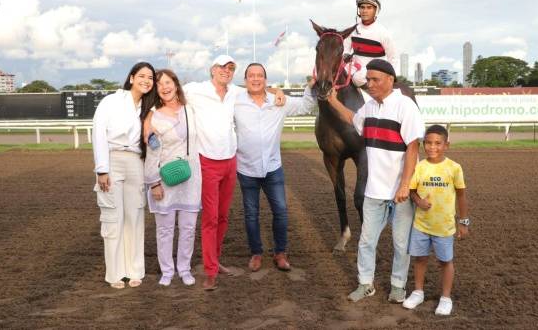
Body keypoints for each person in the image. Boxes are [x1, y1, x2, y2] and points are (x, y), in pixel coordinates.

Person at [182, 55, 285, 291]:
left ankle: (215, 262)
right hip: (207, 161)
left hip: (230, 162)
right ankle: (210, 271)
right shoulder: (196, 90)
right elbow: (169, 93)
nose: (226, 71)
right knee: (210, 219)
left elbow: (256, 85)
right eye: (222, 67)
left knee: (223, 217)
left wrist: (277, 89)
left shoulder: (234, 93)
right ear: (212, 69)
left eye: (230, 68)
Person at [326, 59, 424, 303]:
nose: (369, 84)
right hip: (374, 189)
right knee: (367, 241)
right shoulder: (369, 108)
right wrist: (332, 101)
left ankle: (398, 286)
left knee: (400, 243)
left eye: (374, 80)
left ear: (390, 80)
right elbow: (352, 119)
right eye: (367, 80)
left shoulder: (405, 106)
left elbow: (412, 148)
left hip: (400, 191)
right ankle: (365, 284)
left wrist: (405, 185)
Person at [234, 63, 316, 272]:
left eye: (259, 76)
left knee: (280, 211)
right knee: (251, 214)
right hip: (246, 169)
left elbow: (306, 106)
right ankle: (256, 253)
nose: (255, 79)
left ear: (266, 80)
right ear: (245, 80)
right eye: (251, 76)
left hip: (273, 168)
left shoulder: (280, 101)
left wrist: (311, 86)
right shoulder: (235, 100)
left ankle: (280, 253)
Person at [92, 61, 156, 289]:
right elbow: (98, 133)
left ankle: (135, 270)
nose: (146, 80)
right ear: (131, 78)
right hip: (112, 161)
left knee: (135, 217)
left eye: (150, 77)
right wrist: (102, 169)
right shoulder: (111, 101)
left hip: (136, 164)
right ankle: (115, 273)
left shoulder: (149, 107)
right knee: (113, 219)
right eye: (142, 75)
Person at [402, 124, 469, 316]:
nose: (433, 147)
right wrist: (418, 201)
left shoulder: (454, 168)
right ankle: (418, 292)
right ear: (424, 145)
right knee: (420, 259)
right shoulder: (419, 167)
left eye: (438, 143)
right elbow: (412, 190)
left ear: (446, 145)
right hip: (421, 225)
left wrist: (463, 222)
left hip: (444, 227)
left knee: (445, 262)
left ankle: (446, 298)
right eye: (429, 143)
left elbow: (462, 196)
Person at [143, 69, 201, 287]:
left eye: (168, 82)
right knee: (165, 229)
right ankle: (167, 271)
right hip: (164, 179)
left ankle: (184, 269)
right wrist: (154, 182)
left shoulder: (191, 110)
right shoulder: (154, 116)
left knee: (188, 229)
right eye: (159, 84)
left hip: (190, 178)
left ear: (176, 85)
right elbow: (152, 152)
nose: (165, 87)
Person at [343, 0, 398, 88]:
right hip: (354, 66)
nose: (365, 11)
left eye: (369, 8)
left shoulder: (383, 33)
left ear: (375, 11)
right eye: (362, 7)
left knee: (357, 78)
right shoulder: (352, 30)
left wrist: (389, 77)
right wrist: (346, 56)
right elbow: (345, 49)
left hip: (374, 68)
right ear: (358, 10)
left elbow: (392, 58)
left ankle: (373, 99)